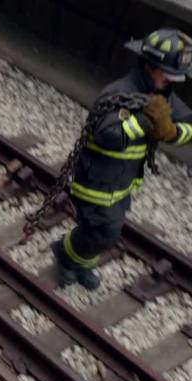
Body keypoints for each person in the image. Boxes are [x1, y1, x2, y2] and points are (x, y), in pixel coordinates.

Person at [53, 28, 192, 290]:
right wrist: (145, 121)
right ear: (150, 66)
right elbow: (108, 134)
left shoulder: (162, 94)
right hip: (96, 184)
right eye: (166, 75)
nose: (169, 82)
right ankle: (65, 254)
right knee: (105, 232)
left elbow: (188, 124)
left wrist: (173, 132)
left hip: (123, 184)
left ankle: (79, 262)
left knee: (99, 232)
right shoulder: (119, 94)